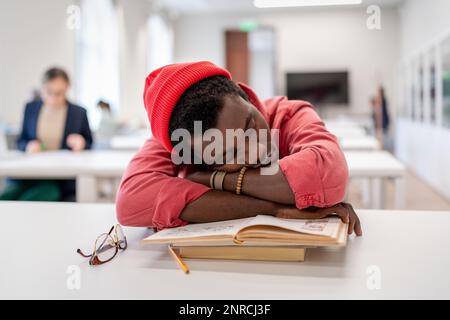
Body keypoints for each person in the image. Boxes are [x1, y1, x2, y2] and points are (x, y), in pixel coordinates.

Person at [116, 61, 362, 236]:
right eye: (228, 155)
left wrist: (215, 179)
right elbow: (131, 201)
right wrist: (275, 208)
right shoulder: (180, 138)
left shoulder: (290, 113)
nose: (255, 150)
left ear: (246, 97)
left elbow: (328, 173)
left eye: (249, 125)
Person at [0, 67, 93, 201]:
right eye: (49, 92)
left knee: (39, 195)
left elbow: (89, 142)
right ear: (42, 88)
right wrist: (28, 146)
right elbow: (21, 140)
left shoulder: (79, 112)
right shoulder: (30, 108)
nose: (54, 98)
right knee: (7, 196)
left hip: (59, 176)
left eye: (59, 93)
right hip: (30, 172)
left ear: (67, 88)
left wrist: (82, 142)